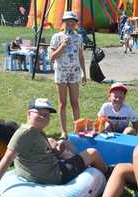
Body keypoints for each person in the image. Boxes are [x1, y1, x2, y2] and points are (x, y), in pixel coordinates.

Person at [0, 98, 113, 195]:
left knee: (62, 143)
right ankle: (108, 175)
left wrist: (56, 148)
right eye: (40, 113)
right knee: (92, 152)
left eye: (47, 115)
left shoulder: (35, 131)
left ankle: (86, 165)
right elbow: (7, 159)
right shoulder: (25, 133)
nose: (44, 117)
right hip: (54, 175)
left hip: (43, 170)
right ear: (29, 114)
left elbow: (40, 152)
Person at [49, 11, 87, 140]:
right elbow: (52, 57)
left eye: (73, 22)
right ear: (63, 23)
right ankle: (64, 131)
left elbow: (81, 56)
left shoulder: (79, 37)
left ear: (76, 24)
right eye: (67, 22)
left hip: (74, 72)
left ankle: (78, 128)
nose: (70, 24)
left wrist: (84, 73)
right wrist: (62, 45)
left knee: (75, 102)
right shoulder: (56, 37)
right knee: (62, 103)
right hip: (61, 72)